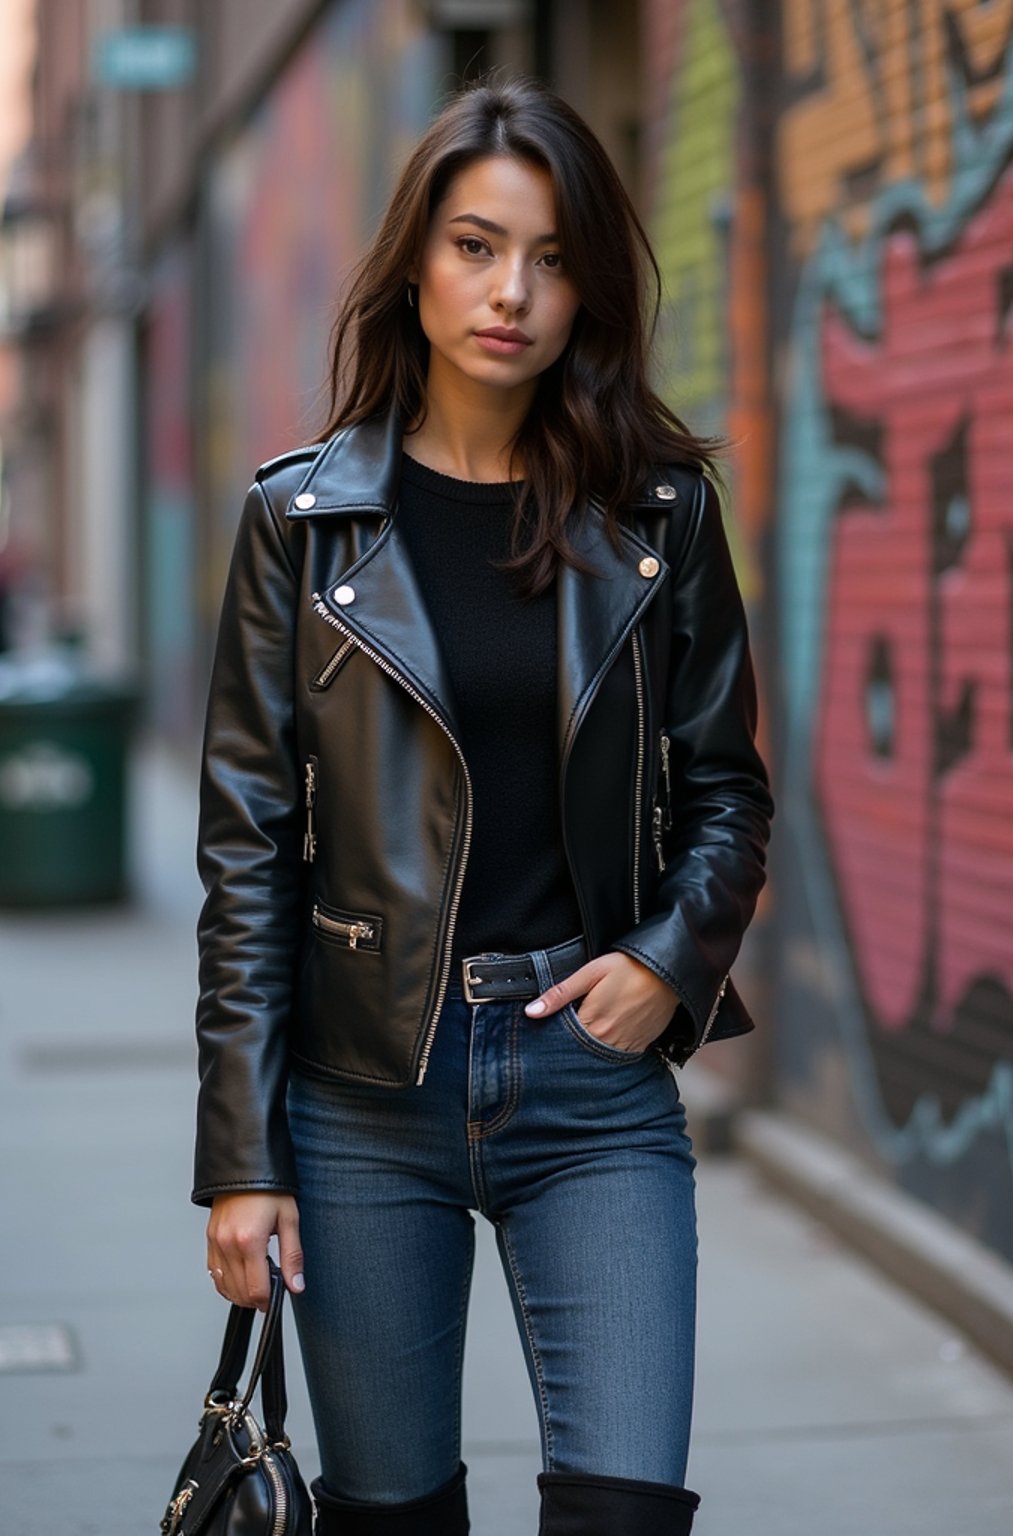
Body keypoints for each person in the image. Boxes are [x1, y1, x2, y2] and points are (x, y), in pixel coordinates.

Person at [193, 76, 772, 1536]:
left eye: (555, 256)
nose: (513, 289)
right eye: (475, 245)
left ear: (592, 289)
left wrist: (665, 962)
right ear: (414, 262)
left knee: (627, 1509)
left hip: (589, 1078)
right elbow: (248, 851)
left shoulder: (659, 516)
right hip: (361, 1092)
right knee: (395, 1514)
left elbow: (726, 789)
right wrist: (242, 1162)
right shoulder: (300, 526)